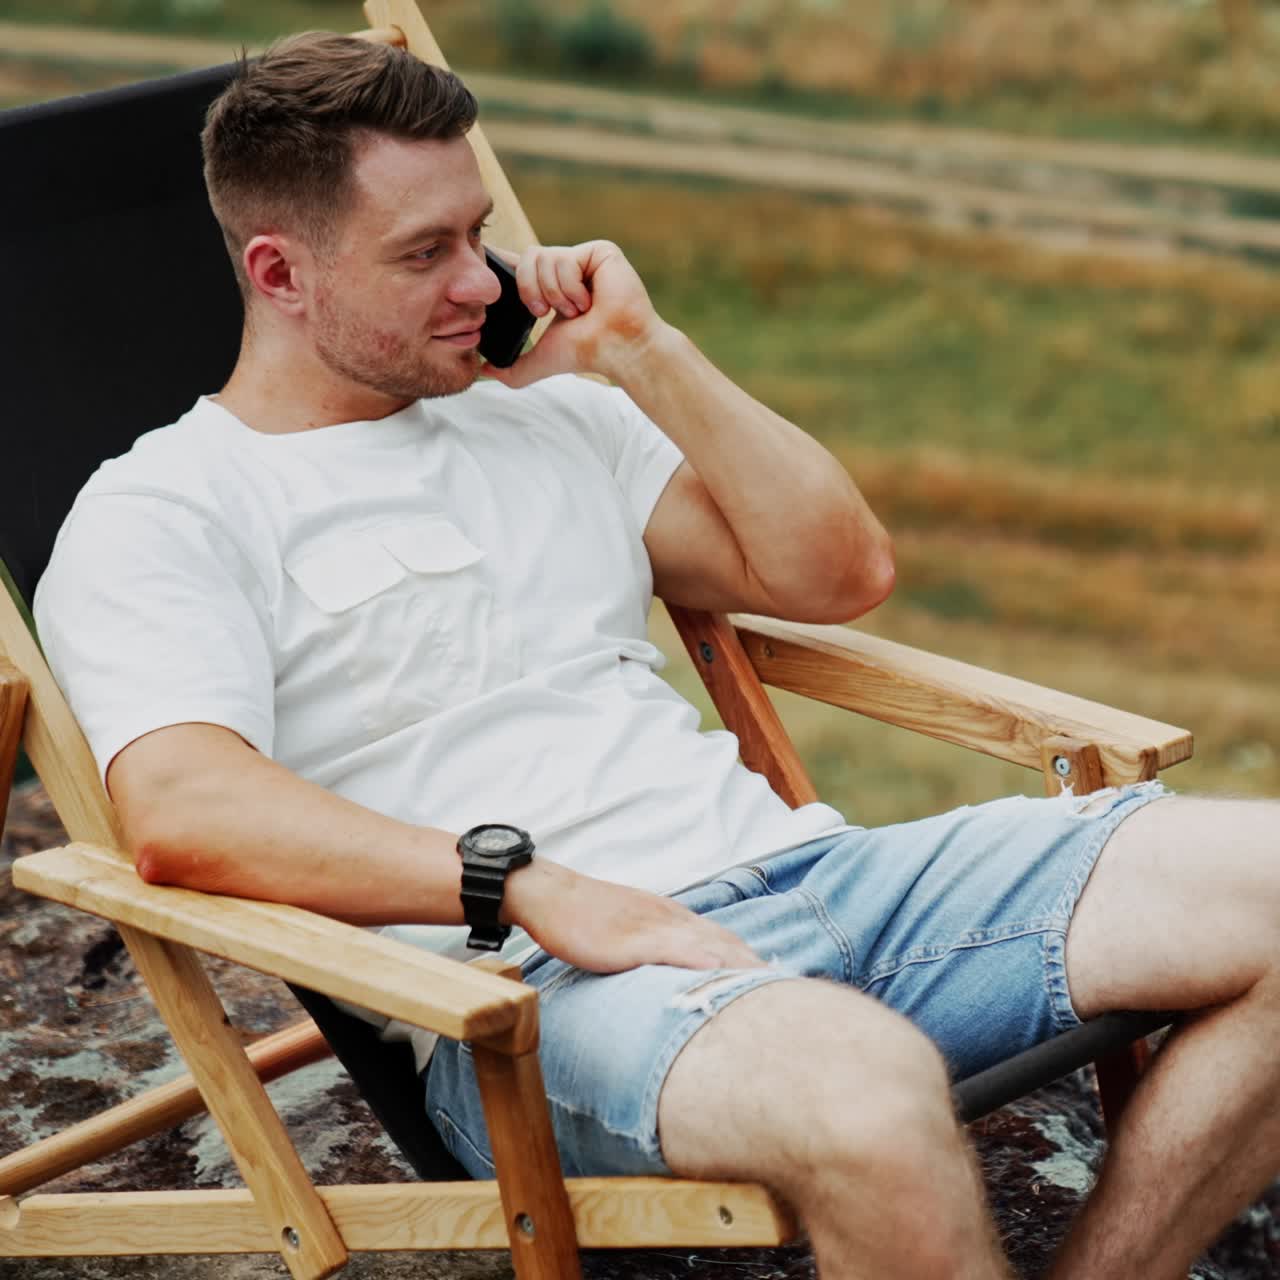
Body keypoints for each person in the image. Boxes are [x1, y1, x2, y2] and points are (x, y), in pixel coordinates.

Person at [32, 33, 1279, 1280]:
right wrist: (525, 883)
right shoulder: (168, 509)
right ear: (278, 272)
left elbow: (835, 572)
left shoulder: (549, 414)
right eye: (423, 253)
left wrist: (643, 349)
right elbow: (184, 808)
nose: (478, 282)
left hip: (819, 877)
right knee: (866, 1094)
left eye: (478, 235)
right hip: (548, 993)